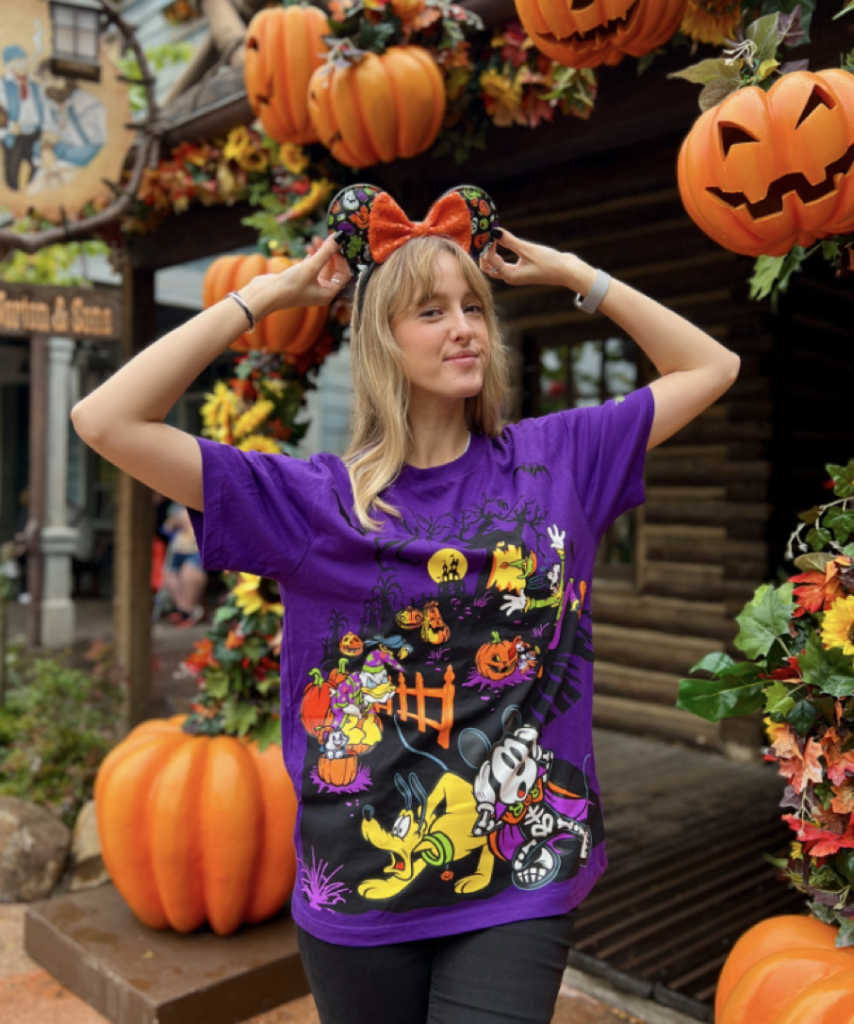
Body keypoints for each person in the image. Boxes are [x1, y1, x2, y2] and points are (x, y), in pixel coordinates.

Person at [70, 184, 739, 1024]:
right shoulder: (314, 502)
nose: (464, 326)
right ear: (381, 340)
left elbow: (713, 367)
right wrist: (266, 297)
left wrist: (574, 274)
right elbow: (105, 418)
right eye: (430, 311)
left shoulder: (558, 460)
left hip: (520, 873)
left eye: (474, 308)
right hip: (360, 888)